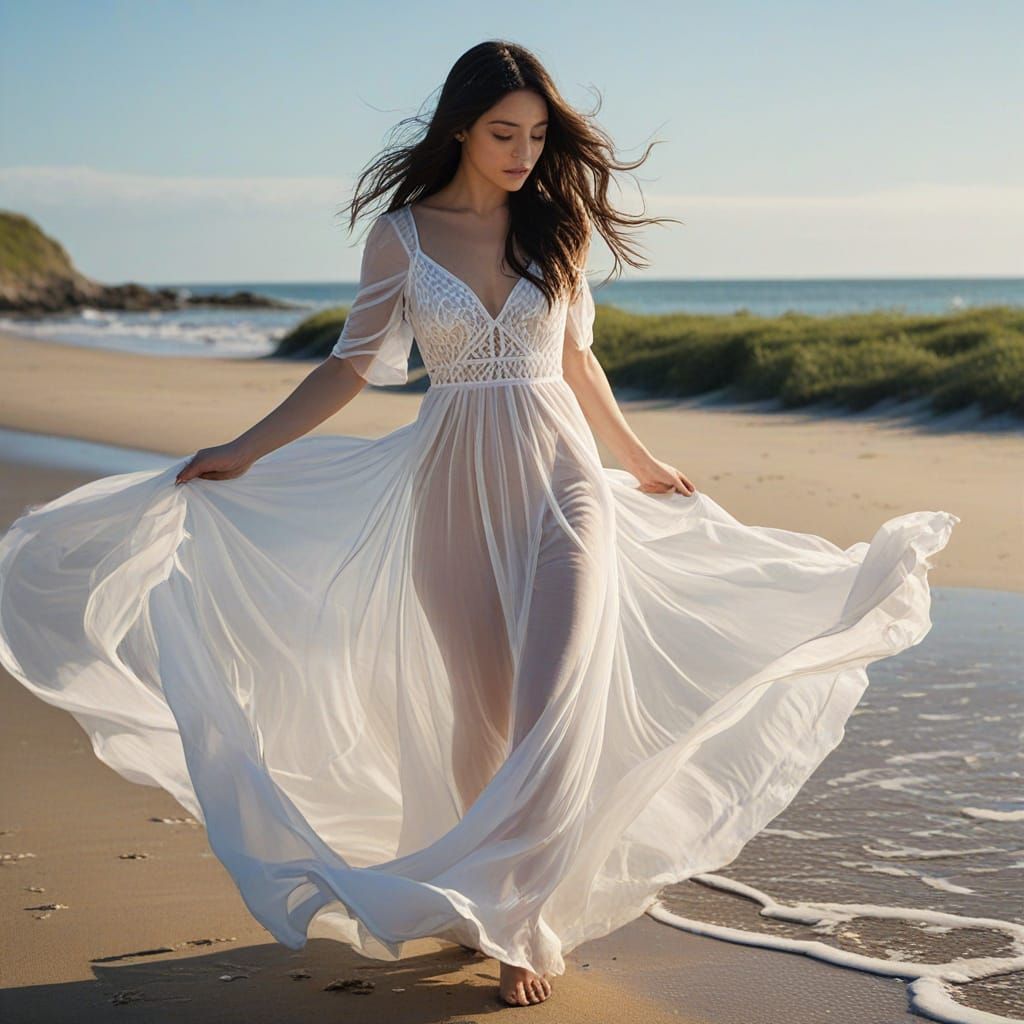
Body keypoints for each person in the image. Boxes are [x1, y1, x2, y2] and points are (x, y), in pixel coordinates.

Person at [0, 40, 958, 1010]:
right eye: (505, 133)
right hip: (449, 489)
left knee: (551, 711)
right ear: (459, 127)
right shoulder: (402, 235)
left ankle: (522, 919)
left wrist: (636, 462)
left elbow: (579, 364)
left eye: (538, 136)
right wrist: (245, 448)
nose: (523, 154)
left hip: (563, 488)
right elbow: (348, 365)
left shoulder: (559, 224)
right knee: (479, 716)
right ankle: (486, 896)